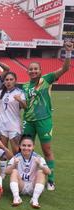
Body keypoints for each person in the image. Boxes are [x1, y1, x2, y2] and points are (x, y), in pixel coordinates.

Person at [22, 41, 73, 191]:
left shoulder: (47, 79)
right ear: (27, 71)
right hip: (28, 121)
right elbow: (26, 105)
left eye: (35, 69)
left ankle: (50, 179)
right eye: (30, 69)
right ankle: (26, 175)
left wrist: (68, 52)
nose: (33, 71)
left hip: (44, 120)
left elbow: (65, 68)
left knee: (47, 150)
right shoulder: (25, 86)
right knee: (25, 150)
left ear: (40, 70)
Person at [5, 135, 51, 208]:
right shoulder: (16, 157)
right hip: (21, 185)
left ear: (33, 147)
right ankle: (16, 198)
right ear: (20, 146)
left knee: (41, 172)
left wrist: (40, 165)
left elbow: (48, 172)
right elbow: (6, 172)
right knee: (14, 171)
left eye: (29, 146)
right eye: (24, 145)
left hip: (33, 185)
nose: (26, 148)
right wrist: (13, 165)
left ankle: (34, 199)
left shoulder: (38, 157)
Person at [0, 72, 26, 177]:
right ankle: (3, 172)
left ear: (15, 80)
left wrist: (20, 100)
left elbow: (25, 107)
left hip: (14, 125)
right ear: (4, 81)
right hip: (1, 124)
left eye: (11, 79)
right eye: (6, 80)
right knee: (2, 149)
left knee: (16, 150)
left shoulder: (20, 92)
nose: (8, 82)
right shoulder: (0, 92)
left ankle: (19, 171)